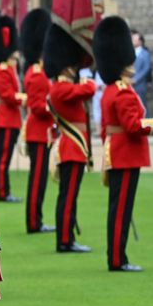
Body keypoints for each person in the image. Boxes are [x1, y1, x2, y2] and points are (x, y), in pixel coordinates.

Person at [95, 16, 153, 272]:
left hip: (117, 152)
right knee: (121, 211)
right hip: (126, 154)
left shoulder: (111, 90)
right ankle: (118, 259)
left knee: (118, 209)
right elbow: (132, 125)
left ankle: (117, 256)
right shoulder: (123, 92)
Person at [44, 24, 97, 253]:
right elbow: (90, 89)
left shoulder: (63, 86)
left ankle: (67, 237)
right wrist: (86, 76)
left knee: (69, 196)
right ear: (65, 67)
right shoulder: (61, 88)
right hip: (71, 147)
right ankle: (64, 240)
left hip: (74, 146)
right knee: (68, 197)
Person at [19, 8, 55, 233]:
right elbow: (38, 106)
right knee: (36, 182)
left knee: (40, 181)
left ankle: (37, 220)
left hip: (43, 133)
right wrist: (57, 109)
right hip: (38, 133)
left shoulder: (39, 71)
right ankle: (34, 222)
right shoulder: (36, 73)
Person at [0, 15, 23, 202]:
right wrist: (23, 98)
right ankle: (3, 192)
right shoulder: (2, 70)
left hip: (12, 119)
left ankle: (6, 190)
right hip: (7, 119)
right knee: (3, 159)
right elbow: (8, 96)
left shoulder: (10, 68)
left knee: (5, 158)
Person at [131, 31, 151, 106]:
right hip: (130, 82)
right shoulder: (130, 52)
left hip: (140, 84)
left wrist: (136, 79)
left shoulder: (145, 53)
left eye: (133, 39)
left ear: (140, 41)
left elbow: (146, 68)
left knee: (142, 104)